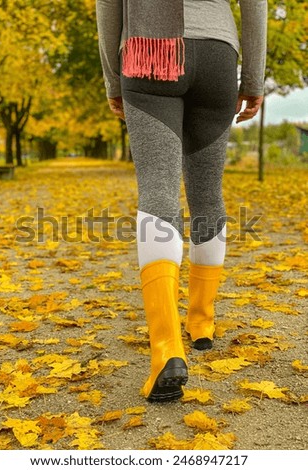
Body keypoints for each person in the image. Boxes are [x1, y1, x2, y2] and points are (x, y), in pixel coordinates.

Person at [96, 0, 267, 402]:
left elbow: (108, 4)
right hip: (218, 55)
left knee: (158, 188)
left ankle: (167, 350)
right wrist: (254, 79)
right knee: (207, 192)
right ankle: (202, 323)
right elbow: (254, 3)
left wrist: (112, 80)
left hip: (148, 55)